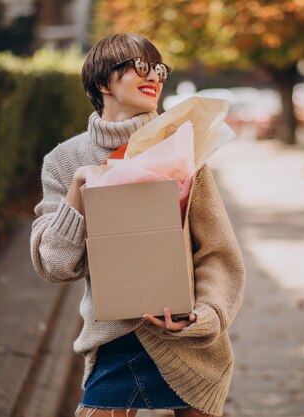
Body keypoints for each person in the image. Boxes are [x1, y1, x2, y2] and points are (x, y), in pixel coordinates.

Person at [30, 33, 245, 417]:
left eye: (159, 68)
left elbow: (218, 251)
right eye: (139, 66)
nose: (154, 76)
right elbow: (55, 266)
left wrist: (206, 314)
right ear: (101, 82)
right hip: (113, 341)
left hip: (186, 341)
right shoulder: (64, 161)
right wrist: (78, 191)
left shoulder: (183, 150)